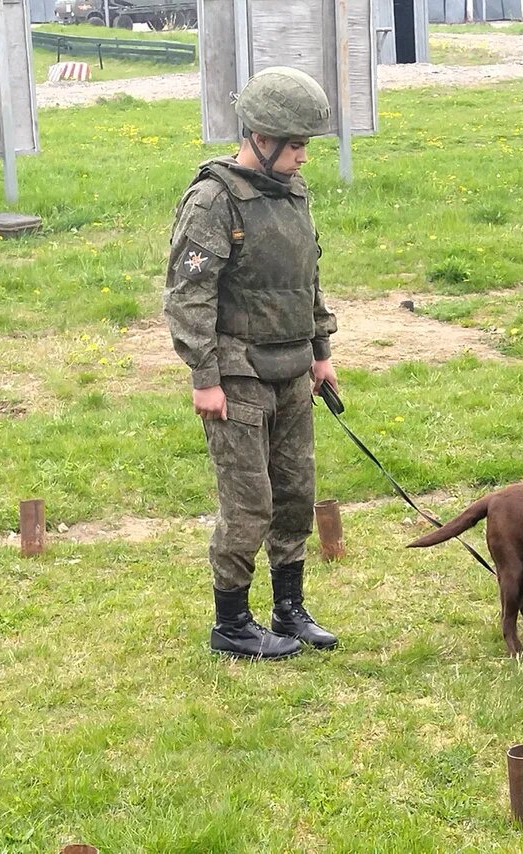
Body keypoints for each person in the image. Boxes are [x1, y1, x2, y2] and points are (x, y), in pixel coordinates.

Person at [163, 66, 339, 660]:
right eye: (295, 146)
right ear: (260, 138)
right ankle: (232, 623)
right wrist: (204, 377)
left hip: (292, 370)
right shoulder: (213, 200)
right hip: (236, 377)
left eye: (306, 146)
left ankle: (289, 609)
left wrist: (322, 352)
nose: (303, 157)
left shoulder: (292, 193)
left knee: (294, 494)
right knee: (248, 503)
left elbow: (307, 280)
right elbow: (189, 295)